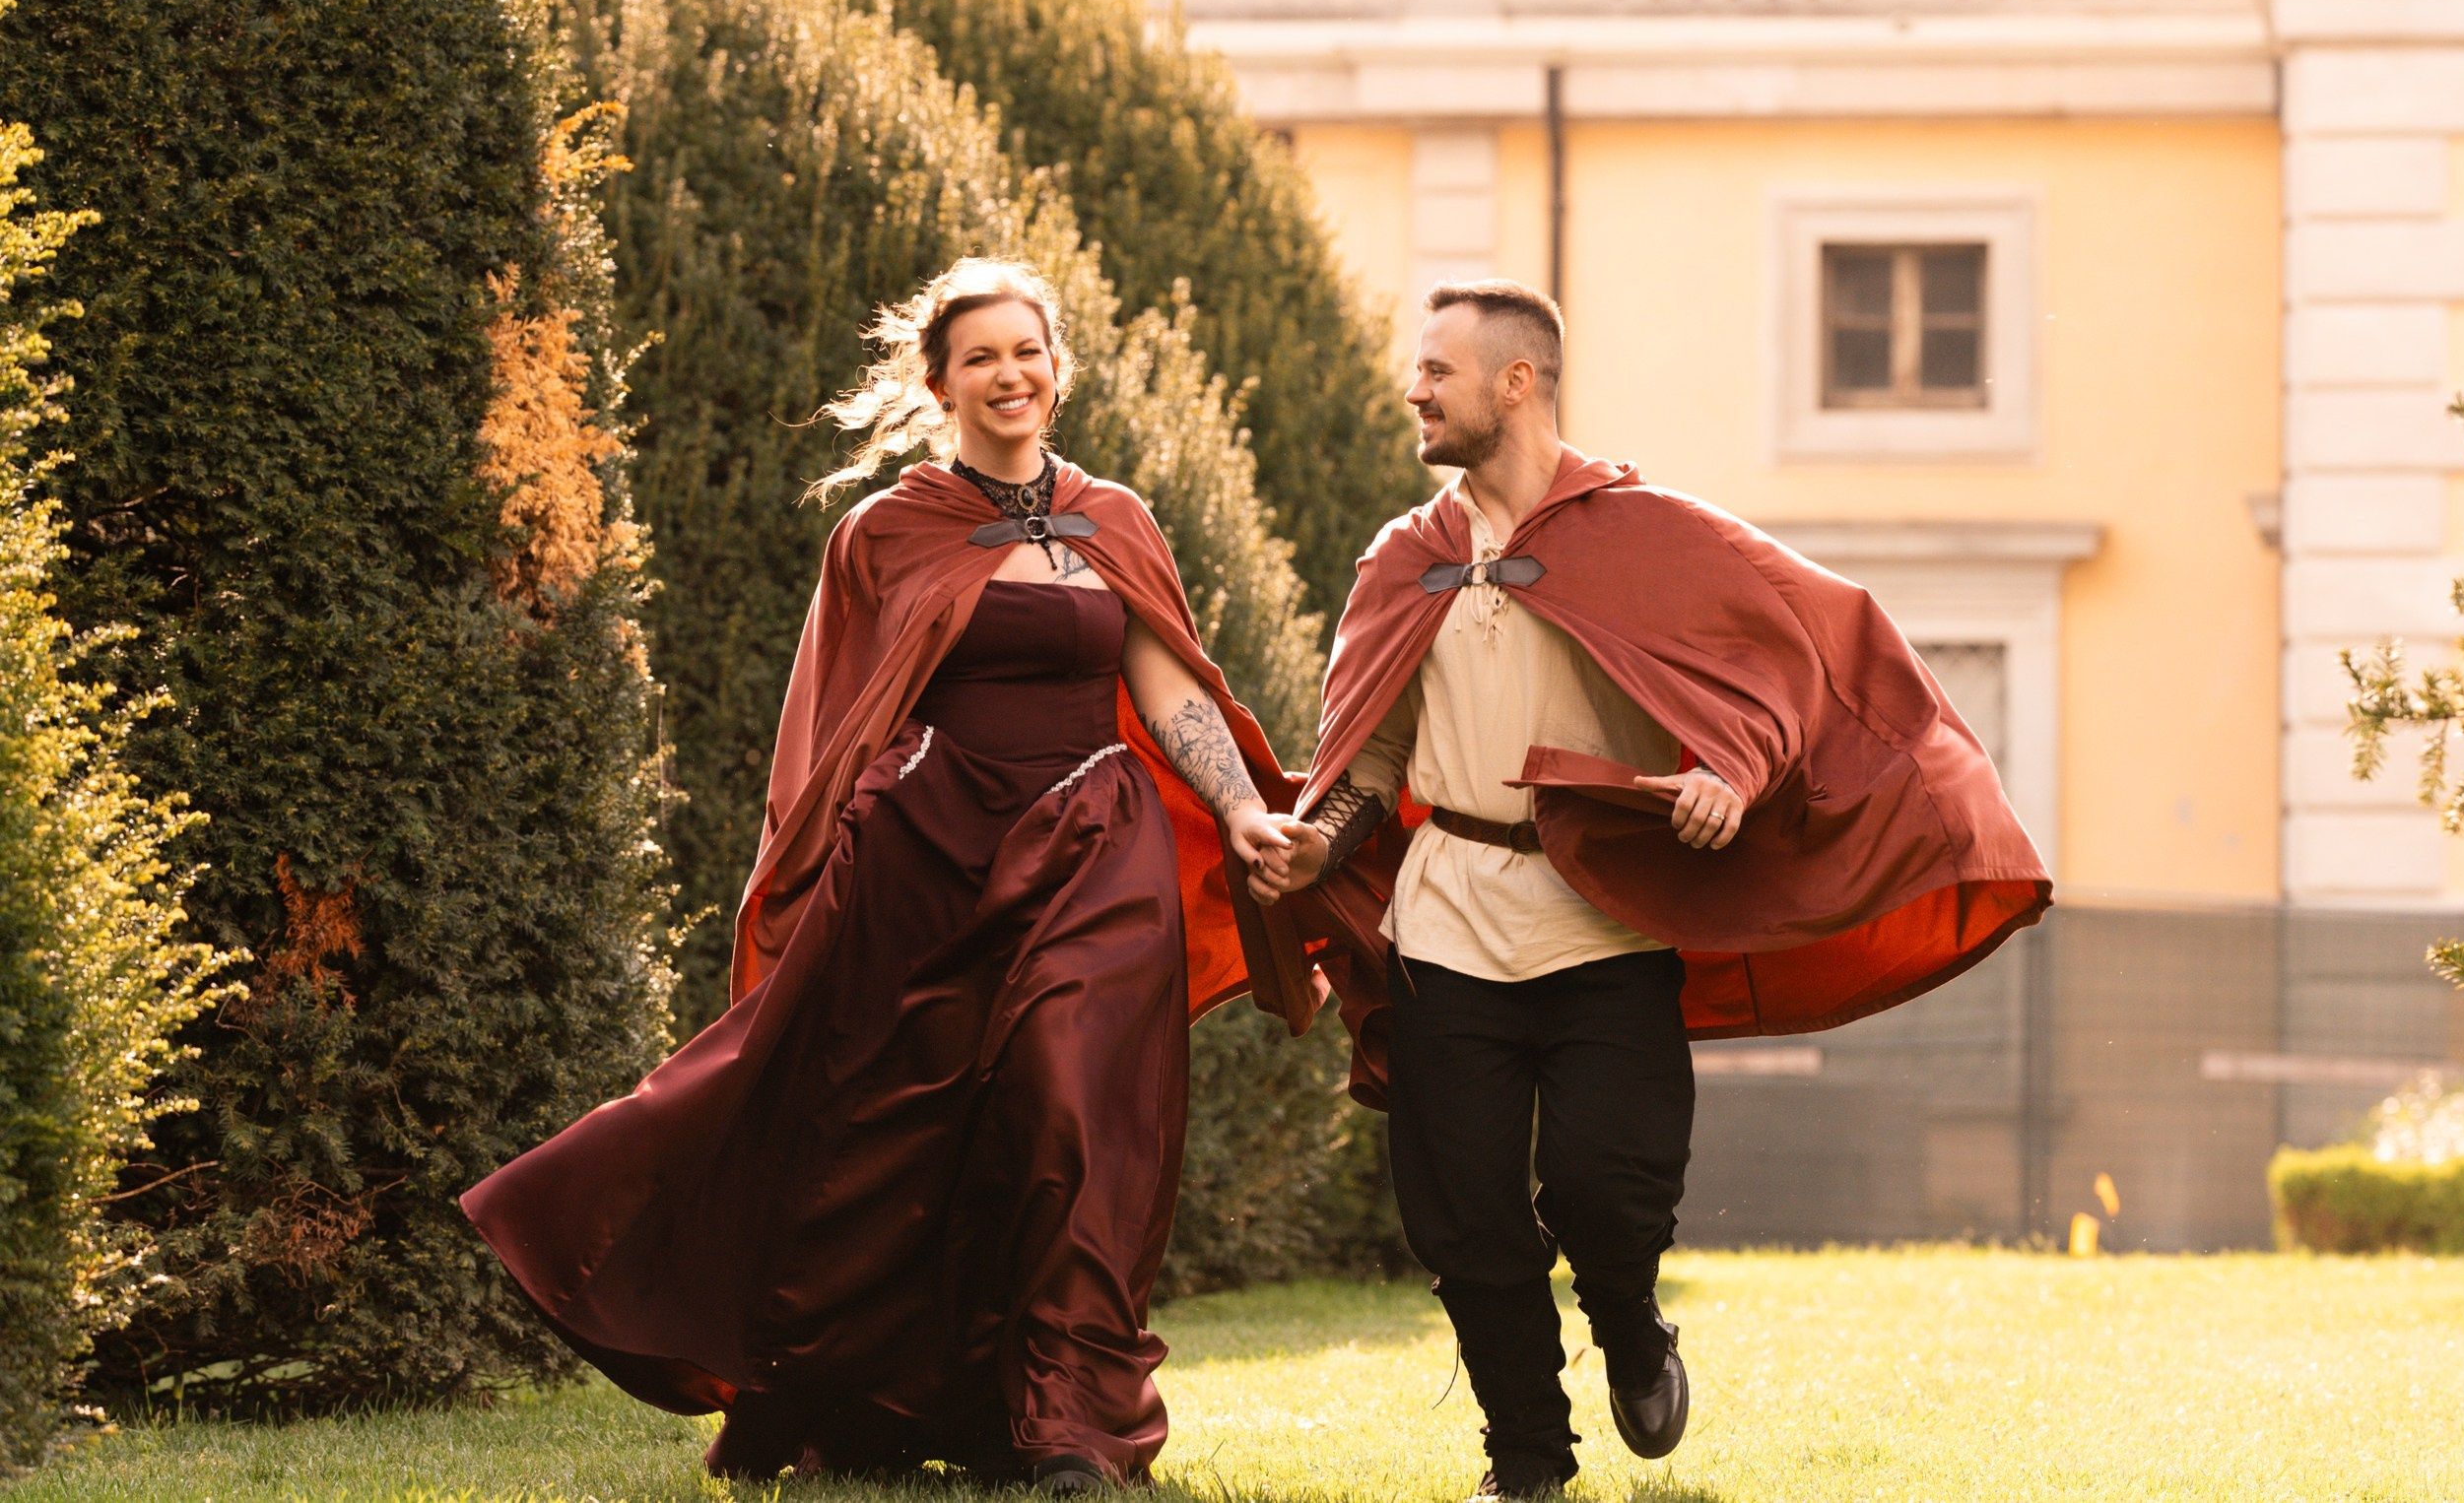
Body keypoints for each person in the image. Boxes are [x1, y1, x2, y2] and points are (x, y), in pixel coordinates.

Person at [464, 257, 1297, 1491]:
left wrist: (1237, 807)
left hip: (1092, 845)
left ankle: (1067, 1418)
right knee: (907, 1131)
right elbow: (839, 715)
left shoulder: (1117, 520)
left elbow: (1169, 685)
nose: (1009, 375)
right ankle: (877, 1398)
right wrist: (833, 851)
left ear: (1056, 368)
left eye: (1028, 352)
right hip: (936, 852)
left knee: (1072, 1101)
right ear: (939, 382)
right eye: (981, 358)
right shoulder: (888, 529)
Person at [1244, 279, 2050, 1499]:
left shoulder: (1656, 535)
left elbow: (1783, 665)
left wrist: (1732, 768)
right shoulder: (1402, 560)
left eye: (1438, 372)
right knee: (1460, 1217)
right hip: (1447, 924)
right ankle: (1525, 1458)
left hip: (1606, 926)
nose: (1414, 391)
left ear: (1516, 383)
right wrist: (1317, 842)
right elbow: (1370, 760)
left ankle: (1629, 1325)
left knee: (1604, 1193)